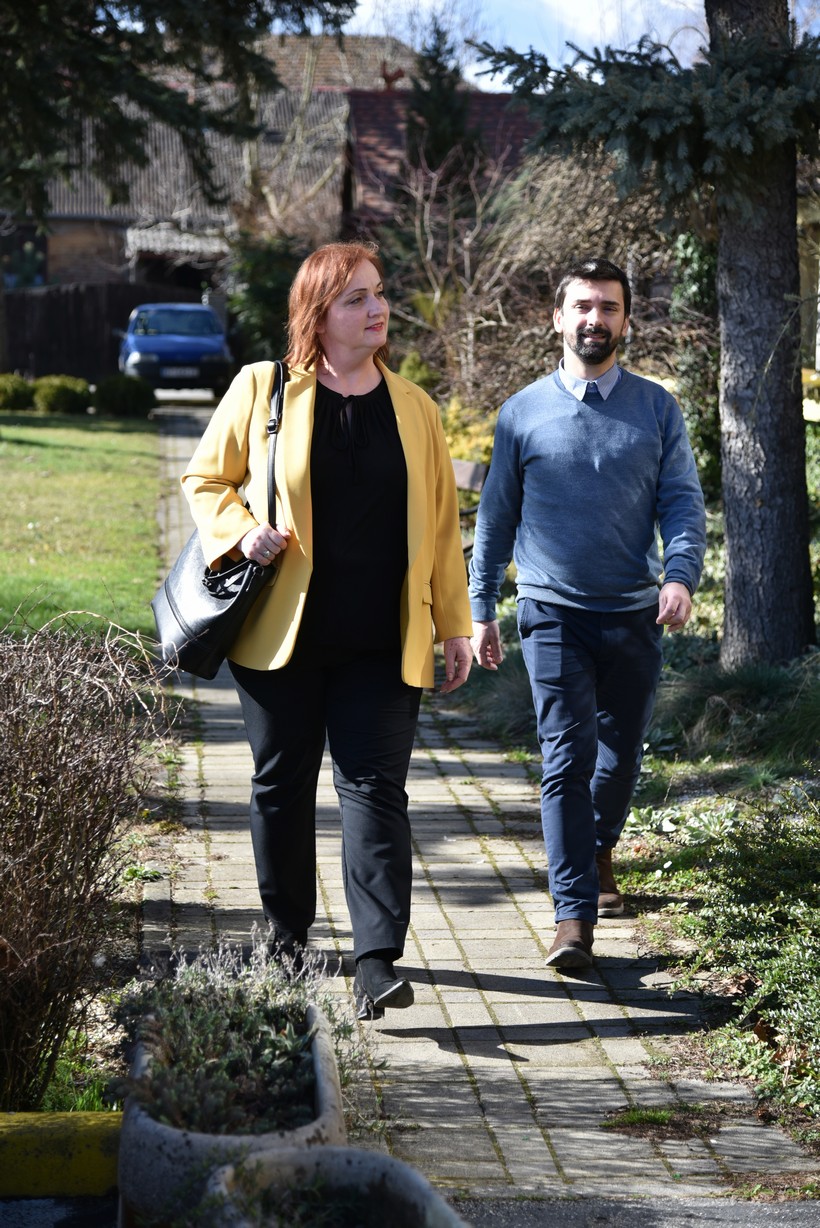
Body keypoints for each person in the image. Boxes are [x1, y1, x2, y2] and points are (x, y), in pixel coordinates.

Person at [181, 241, 473, 1017]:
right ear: (317, 315)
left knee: (375, 791)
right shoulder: (262, 388)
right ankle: (286, 936)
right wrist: (241, 531)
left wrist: (455, 625)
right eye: (356, 299)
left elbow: (442, 527)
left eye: (379, 293)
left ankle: (376, 959)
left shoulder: (416, 408)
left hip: (382, 640)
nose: (378, 309)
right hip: (282, 638)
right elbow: (205, 478)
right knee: (281, 787)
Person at [468, 256, 706, 969]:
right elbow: (496, 517)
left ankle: (598, 848)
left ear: (625, 320)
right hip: (552, 611)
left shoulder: (656, 408)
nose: (594, 319)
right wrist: (482, 608)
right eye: (582, 306)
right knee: (566, 758)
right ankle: (572, 917)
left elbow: (681, 502)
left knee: (620, 756)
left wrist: (680, 576)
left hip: (633, 613)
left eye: (608, 307)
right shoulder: (522, 412)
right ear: (557, 318)